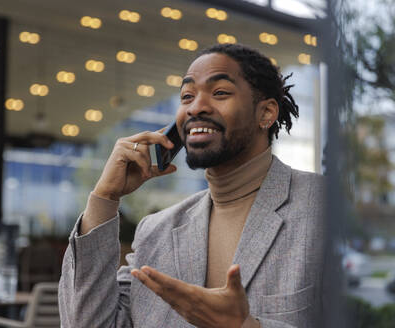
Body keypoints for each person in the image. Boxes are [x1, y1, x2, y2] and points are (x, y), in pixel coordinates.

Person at [59, 43, 325, 328]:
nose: (196, 107)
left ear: (266, 113)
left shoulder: (323, 205)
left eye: (220, 92)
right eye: (187, 96)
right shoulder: (155, 232)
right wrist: (104, 197)